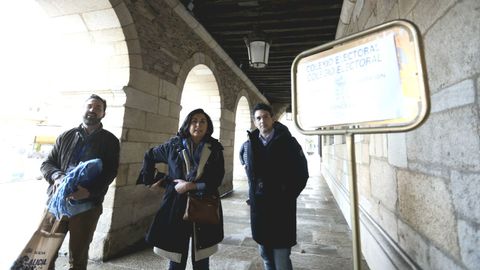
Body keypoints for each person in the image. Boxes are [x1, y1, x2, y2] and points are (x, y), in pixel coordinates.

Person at [39, 94, 120, 270]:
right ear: (83, 109)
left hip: (86, 208)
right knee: (44, 255)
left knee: (78, 258)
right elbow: (47, 164)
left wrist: (89, 192)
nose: (92, 110)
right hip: (55, 206)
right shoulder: (65, 136)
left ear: (103, 114)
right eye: (89, 106)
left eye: (98, 108)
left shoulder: (110, 141)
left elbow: (110, 172)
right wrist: (57, 177)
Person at [138, 108, 225, 270]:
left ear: (208, 126)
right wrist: (153, 181)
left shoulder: (215, 148)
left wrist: (192, 185)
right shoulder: (173, 145)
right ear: (187, 124)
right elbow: (149, 155)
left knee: (202, 257)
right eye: (194, 121)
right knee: (176, 255)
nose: (198, 124)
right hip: (176, 203)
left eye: (202, 121)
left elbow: (217, 178)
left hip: (204, 203)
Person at [240, 103, 309, 270]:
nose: (262, 121)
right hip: (260, 209)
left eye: (265, 117)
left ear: (272, 118)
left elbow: (302, 173)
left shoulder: (289, 142)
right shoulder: (249, 144)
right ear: (254, 122)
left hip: (281, 208)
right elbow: (247, 168)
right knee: (266, 256)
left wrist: (287, 194)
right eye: (258, 118)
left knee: (281, 257)